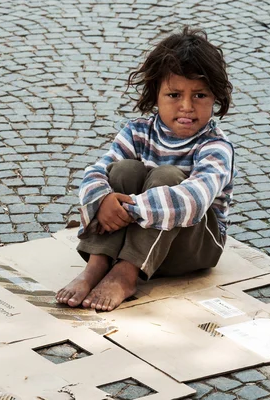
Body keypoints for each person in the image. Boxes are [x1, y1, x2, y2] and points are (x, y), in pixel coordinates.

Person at [56, 26, 235, 312]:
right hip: (135, 238)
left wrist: (128, 209)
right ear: (155, 95)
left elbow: (194, 200)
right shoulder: (137, 132)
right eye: (174, 95)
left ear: (215, 98)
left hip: (192, 249)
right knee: (122, 170)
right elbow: (96, 172)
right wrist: (103, 201)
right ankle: (97, 265)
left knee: (168, 177)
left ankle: (125, 274)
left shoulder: (215, 146)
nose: (187, 106)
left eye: (199, 95)